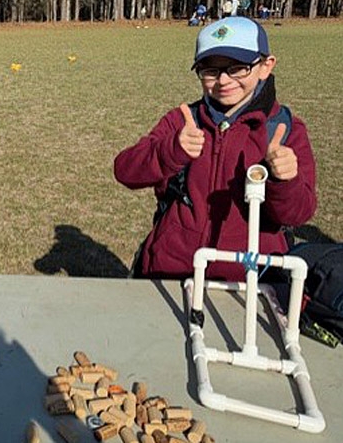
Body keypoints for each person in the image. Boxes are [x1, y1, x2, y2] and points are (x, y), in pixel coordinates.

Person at [114, 17, 316, 282]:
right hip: (171, 273)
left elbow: (298, 213)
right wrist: (170, 151)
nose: (223, 81)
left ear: (266, 66)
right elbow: (125, 171)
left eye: (238, 68)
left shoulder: (285, 128)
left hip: (251, 281)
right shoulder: (182, 120)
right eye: (210, 70)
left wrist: (283, 181)